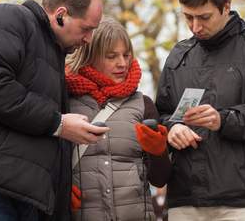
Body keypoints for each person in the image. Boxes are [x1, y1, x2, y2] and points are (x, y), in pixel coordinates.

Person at [0, 0, 110, 221]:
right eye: (86, 29)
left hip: (21, 196)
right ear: (61, 15)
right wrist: (59, 123)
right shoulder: (7, 18)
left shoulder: (51, 53)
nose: (88, 38)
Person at [156, 0, 245, 221]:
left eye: (203, 17)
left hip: (244, 203)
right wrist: (171, 129)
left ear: (226, 6)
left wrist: (224, 120)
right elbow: (161, 115)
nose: (195, 26)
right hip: (185, 200)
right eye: (188, 17)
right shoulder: (178, 56)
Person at [66, 17, 171, 221]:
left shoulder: (144, 105)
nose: (122, 63)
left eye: (126, 55)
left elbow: (160, 180)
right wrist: (59, 188)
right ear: (90, 55)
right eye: (111, 56)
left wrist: (159, 152)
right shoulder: (65, 101)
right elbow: (45, 159)